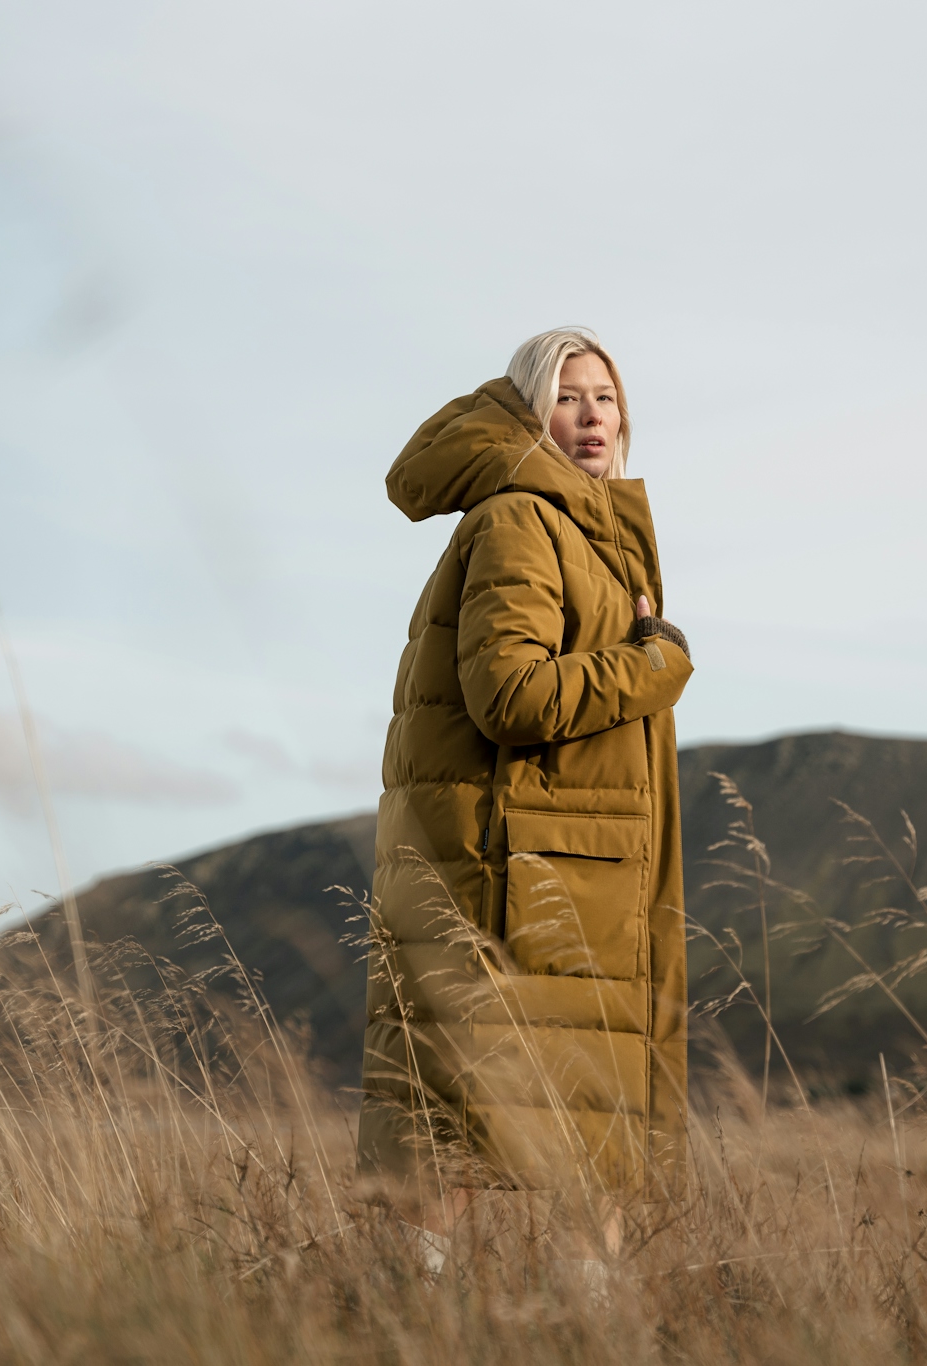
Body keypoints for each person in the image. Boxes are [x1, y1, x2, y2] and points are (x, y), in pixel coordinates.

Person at [357, 328, 693, 1247]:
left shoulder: (585, 530)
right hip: (521, 884)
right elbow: (511, 695)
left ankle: (574, 1321)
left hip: (566, 877)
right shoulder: (522, 519)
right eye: (566, 397)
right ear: (528, 415)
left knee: (579, 1158)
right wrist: (654, 664)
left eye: (605, 397)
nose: (591, 416)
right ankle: (416, 1315)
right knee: (463, 1154)